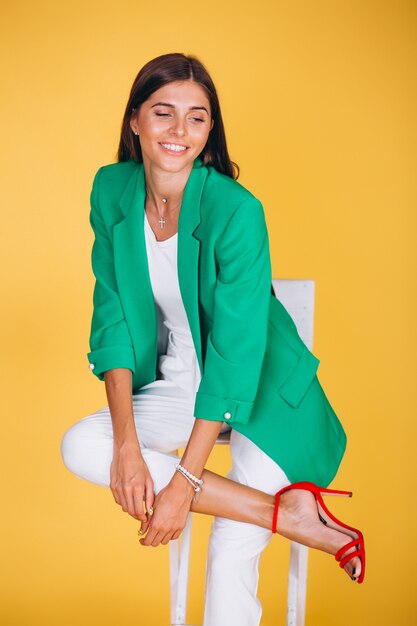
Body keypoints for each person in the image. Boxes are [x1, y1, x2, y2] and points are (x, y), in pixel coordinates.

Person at [60, 52, 365, 626]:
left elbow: (237, 353)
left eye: (197, 118)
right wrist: (126, 444)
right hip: (181, 378)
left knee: (228, 549)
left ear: (210, 128)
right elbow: (115, 319)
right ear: (135, 120)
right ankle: (287, 514)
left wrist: (186, 481)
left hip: (264, 389)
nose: (180, 131)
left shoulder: (236, 210)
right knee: (82, 446)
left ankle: (263, 515)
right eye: (163, 112)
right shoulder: (111, 190)